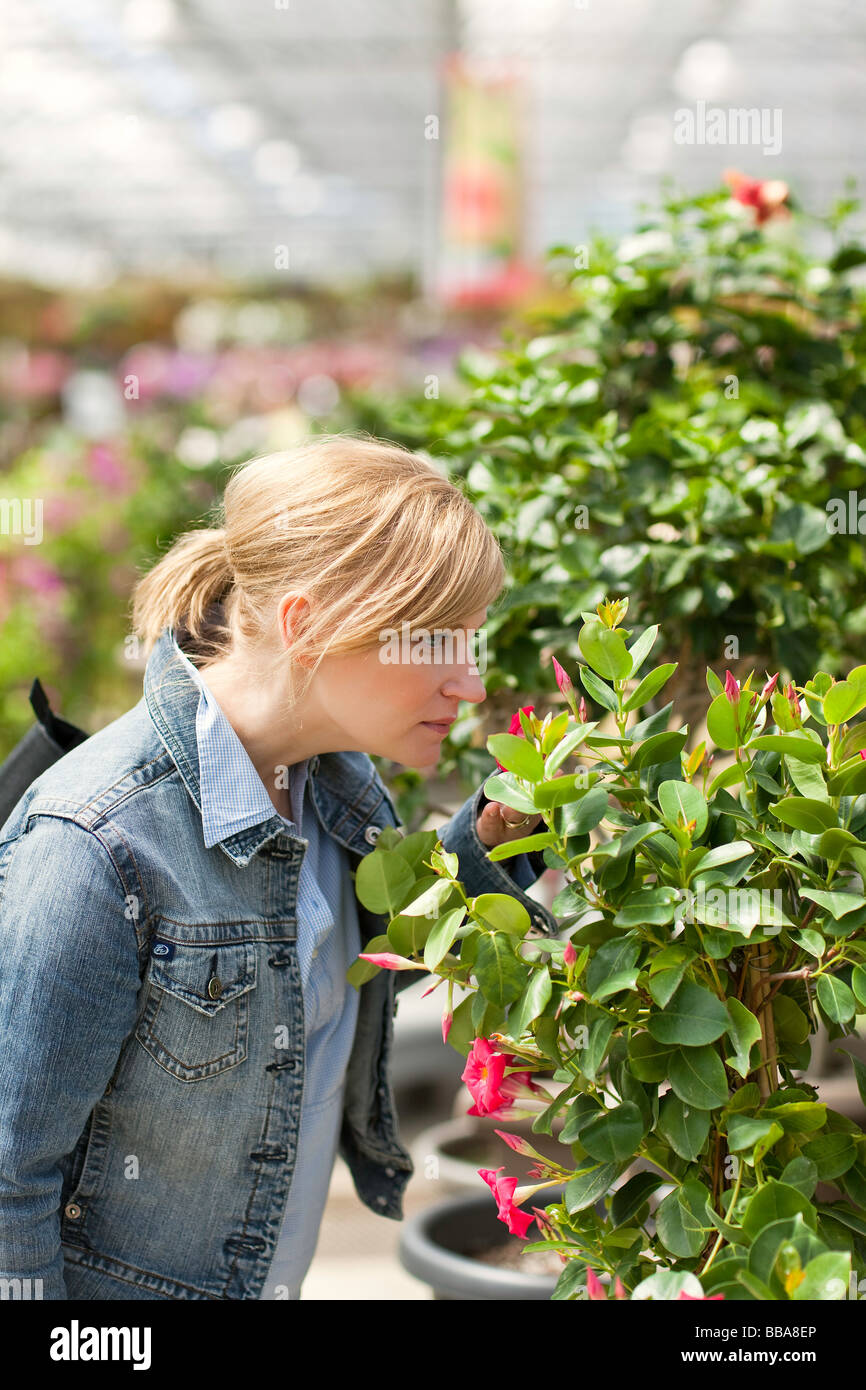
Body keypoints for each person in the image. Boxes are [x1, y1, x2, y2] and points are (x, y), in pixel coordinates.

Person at [0, 432, 557, 1301]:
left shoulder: (331, 778)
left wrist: (499, 837)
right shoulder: (97, 849)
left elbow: (342, 965)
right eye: (437, 643)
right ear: (305, 625)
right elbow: (8, 1184)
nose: (472, 683)